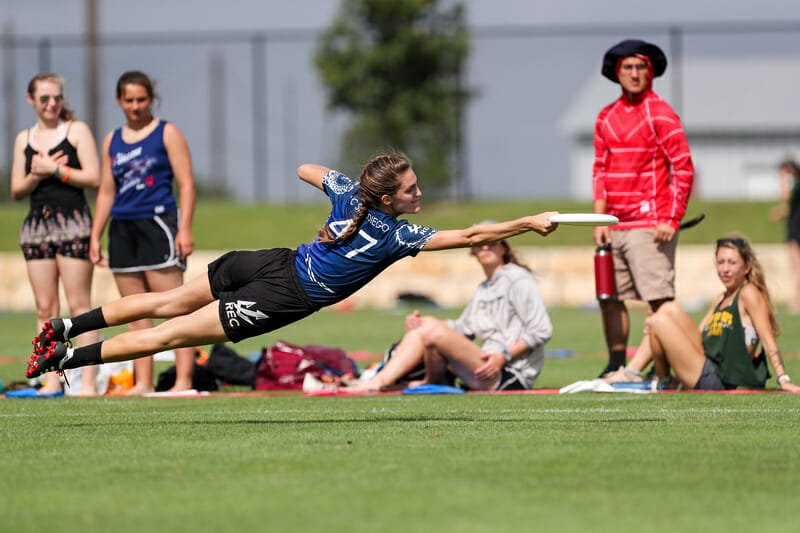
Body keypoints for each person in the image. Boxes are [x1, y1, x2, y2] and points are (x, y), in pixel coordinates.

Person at [25, 154, 559, 379]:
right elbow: (472, 234)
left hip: (268, 260)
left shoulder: (350, 193)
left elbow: (305, 168)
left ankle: (62, 328)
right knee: (168, 335)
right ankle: (64, 359)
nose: (420, 192)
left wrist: (348, 191)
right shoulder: (399, 235)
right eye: (412, 188)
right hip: (284, 295)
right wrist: (527, 222)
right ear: (392, 198)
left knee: (165, 305)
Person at [89, 70, 196, 395]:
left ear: (151, 99)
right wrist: (96, 234)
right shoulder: (112, 140)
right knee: (135, 312)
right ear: (119, 101)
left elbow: (187, 184)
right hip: (123, 229)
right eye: (129, 100)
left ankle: (183, 381)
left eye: (141, 99)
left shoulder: (167, 132)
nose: (135, 106)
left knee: (174, 308)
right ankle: (144, 382)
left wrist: (185, 228)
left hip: (158, 224)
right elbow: (106, 191)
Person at [592, 39, 695, 376]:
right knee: (609, 297)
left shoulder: (661, 112)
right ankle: (615, 364)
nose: (634, 74)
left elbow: (683, 167)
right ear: (616, 73)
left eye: (640, 67)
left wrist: (672, 217)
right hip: (613, 225)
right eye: (628, 67)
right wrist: (599, 218)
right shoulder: (605, 117)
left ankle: (667, 367)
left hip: (651, 224)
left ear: (650, 73)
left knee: (659, 300)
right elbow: (600, 171)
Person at [348, 232, 552, 392]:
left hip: (509, 374)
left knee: (433, 333)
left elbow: (541, 330)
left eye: (493, 242)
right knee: (426, 326)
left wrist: (502, 357)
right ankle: (393, 380)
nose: (486, 247)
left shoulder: (518, 278)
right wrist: (422, 323)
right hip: (485, 367)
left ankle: (382, 382)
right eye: (480, 243)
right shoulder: (484, 288)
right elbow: (463, 328)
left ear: (504, 248)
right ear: (473, 251)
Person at [604, 237, 800, 392]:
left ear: (747, 267)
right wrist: (664, 330)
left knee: (659, 319)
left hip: (720, 379)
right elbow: (697, 338)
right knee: (667, 310)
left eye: (732, 263)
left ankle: (634, 373)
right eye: (720, 262)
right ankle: (660, 379)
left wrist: (784, 379)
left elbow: (767, 340)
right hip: (705, 366)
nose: (725, 269)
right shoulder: (722, 298)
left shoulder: (749, 293)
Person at [9, 73, 101, 396]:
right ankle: (51, 381)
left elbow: (94, 177)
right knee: (45, 309)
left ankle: (87, 383)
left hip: (73, 222)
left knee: (79, 307)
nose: (51, 104)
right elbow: (17, 189)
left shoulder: (76, 131)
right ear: (30, 99)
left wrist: (56, 170)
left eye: (57, 98)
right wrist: (39, 173)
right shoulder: (24, 138)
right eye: (44, 99)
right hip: (37, 228)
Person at [769, 159, 800, 314]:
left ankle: (797, 300)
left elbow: (787, 198)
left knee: (796, 266)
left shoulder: (793, 183)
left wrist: (784, 182)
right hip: (795, 225)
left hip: (795, 228)